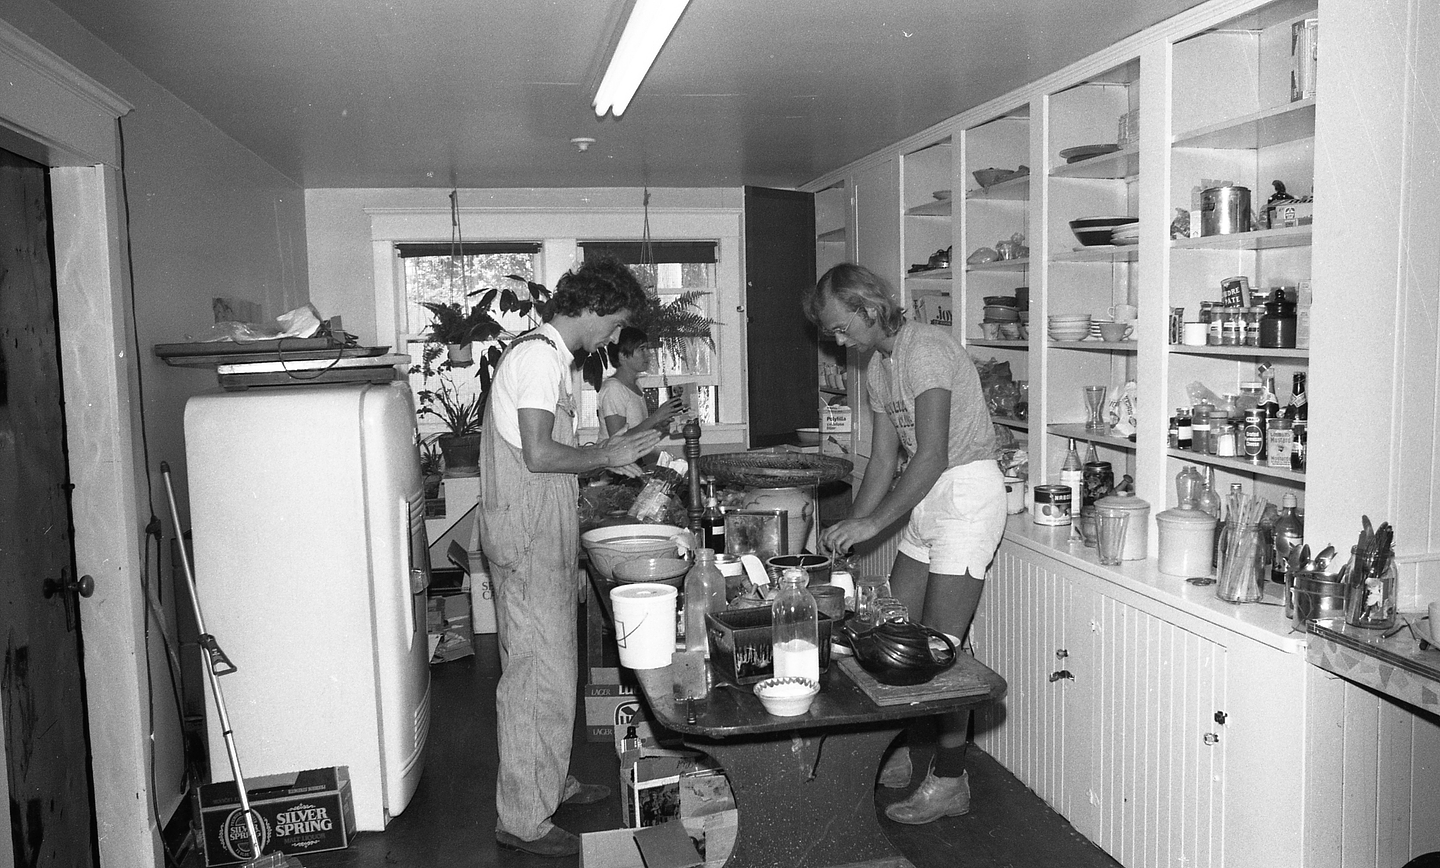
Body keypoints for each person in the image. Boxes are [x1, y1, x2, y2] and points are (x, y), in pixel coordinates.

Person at [805, 262, 1006, 825]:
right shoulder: (878, 368)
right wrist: (850, 524)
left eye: (842, 328)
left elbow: (934, 453)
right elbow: (883, 462)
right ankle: (901, 753)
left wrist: (874, 526)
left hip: (967, 492)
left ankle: (949, 780)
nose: (839, 341)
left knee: (939, 651)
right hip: (927, 495)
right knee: (891, 635)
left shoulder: (926, 350)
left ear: (870, 309)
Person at [477, 257, 663, 857]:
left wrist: (603, 451)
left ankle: (549, 781)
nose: (612, 340)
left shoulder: (550, 359)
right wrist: (607, 453)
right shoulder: (536, 357)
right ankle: (523, 817)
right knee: (535, 673)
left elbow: (546, 449)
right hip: (527, 532)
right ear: (591, 308)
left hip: (539, 525)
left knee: (553, 665)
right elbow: (537, 455)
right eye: (613, 326)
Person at [597, 326, 684, 445]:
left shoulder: (636, 386)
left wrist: (660, 428)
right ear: (622, 356)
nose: (649, 354)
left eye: (647, 349)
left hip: (634, 461)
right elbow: (617, 441)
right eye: (642, 349)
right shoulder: (613, 389)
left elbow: (637, 436)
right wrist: (656, 417)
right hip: (613, 463)